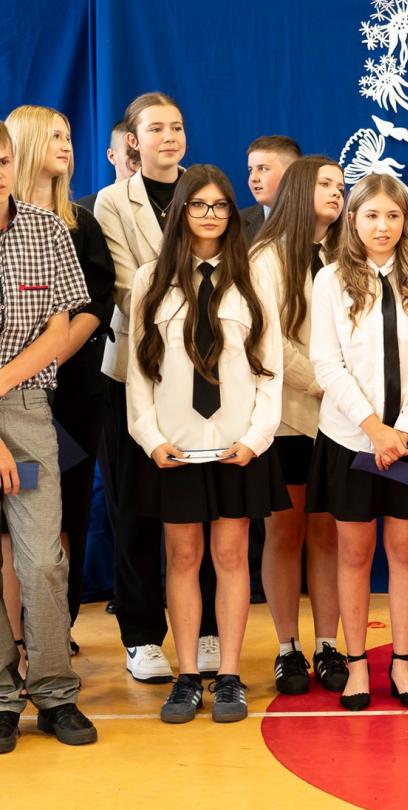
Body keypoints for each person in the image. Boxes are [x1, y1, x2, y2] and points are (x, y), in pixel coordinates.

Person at [125, 164, 287, 724]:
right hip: (176, 446)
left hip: (236, 445)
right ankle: (188, 675)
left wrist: (257, 438)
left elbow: (270, 368)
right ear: (181, 213)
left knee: (232, 555)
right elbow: (138, 373)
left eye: (219, 205)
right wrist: (150, 438)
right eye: (199, 205)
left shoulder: (253, 278)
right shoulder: (150, 279)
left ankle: (231, 676)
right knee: (183, 556)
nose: (211, 215)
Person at [307, 173, 408, 711]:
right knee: (354, 551)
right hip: (351, 439)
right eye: (371, 215)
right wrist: (373, 429)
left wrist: (403, 431)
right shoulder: (331, 280)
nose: (383, 226)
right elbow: (327, 363)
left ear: (405, 222)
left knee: (406, 549)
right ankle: (356, 665)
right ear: (353, 220)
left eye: (393, 216)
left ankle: (404, 664)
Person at [95, 92, 222, 683]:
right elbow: (128, 289)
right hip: (138, 371)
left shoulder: (204, 189)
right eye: (156, 129)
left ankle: (209, 628)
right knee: (136, 508)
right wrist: (193, 312)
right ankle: (142, 635)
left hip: (209, 376)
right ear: (133, 141)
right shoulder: (111, 201)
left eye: (177, 127)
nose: (169, 137)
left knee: (206, 509)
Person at [0, 107, 113, 668]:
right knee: (9, 531)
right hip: (21, 392)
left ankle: (52, 641)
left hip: (61, 396)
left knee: (57, 524)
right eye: (54, 137)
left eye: (70, 136)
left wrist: (37, 365)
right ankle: (16, 649)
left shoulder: (72, 224)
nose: (66, 145)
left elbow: (89, 308)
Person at [249, 155, 347, 695]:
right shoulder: (265, 256)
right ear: (301, 188)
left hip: (340, 419)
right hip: (288, 416)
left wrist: (347, 392)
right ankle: (287, 647)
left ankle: (328, 643)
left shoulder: (347, 252)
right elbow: (268, 341)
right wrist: (328, 382)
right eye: (326, 183)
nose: (337, 192)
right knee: (284, 531)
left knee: (328, 528)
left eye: (341, 185)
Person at [241, 136, 300, 242]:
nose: (253, 178)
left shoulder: (318, 217)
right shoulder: (237, 224)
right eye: (250, 170)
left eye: (263, 169)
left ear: (291, 174)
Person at [77, 120, 137, 214]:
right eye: (132, 154)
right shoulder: (84, 209)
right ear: (111, 156)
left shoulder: (161, 205)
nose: (141, 162)